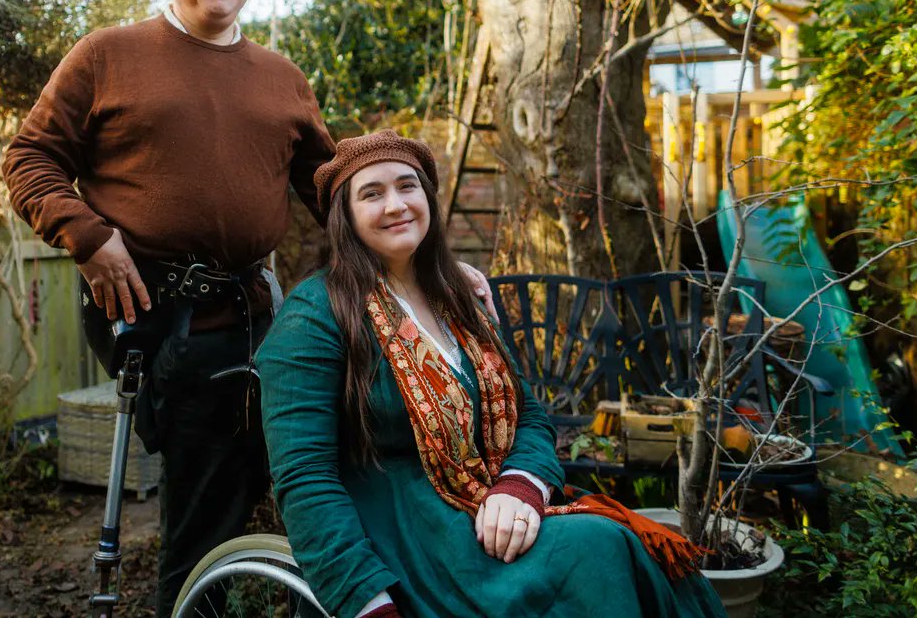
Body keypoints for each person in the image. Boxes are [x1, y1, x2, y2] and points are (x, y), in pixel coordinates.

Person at [2, 0, 496, 614]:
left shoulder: (281, 79)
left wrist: (433, 264)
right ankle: (195, 601)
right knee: (207, 499)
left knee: (321, 461)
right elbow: (29, 159)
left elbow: (338, 193)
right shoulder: (108, 55)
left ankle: (337, 593)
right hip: (156, 313)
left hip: (259, 309)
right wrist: (91, 238)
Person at [256, 130, 727, 618]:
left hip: (487, 517)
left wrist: (520, 485)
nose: (395, 205)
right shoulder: (315, 315)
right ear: (345, 217)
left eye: (407, 186)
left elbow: (530, 416)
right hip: (406, 545)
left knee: (627, 551)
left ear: (429, 199)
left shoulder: (456, 297)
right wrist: (369, 603)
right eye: (371, 194)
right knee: (597, 551)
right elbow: (305, 479)